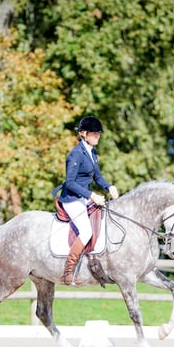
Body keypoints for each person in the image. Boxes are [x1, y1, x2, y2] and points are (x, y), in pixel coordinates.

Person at [54, 115, 119, 285]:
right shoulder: (75, 154)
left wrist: (108, 187)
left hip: (83, 198)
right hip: (71, 199)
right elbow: (70, 182)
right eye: (93, 133)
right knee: (86, 231)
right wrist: (91, 195)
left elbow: (97, 176)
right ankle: (68, 272)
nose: (97, 136)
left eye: (98, 134)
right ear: (83, 133)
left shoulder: (92, 152)